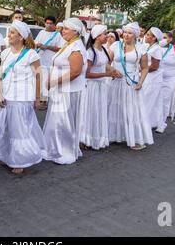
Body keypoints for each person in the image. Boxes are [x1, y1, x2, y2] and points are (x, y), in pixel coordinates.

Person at [0, 21, 45, 174]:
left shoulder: (31, 54)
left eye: (12, 32)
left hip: (22, 97)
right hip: (6, 95)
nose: (8, 35)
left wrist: (38, 98)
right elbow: (0, 75)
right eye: (9, 32)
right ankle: (8, 156)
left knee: (18, 130)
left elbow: (38, 77)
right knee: (6, 128)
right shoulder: (6, 53)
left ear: (21, 37)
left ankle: (21, 160)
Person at [42, 17, 87, 165]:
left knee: (64, 123)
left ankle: (65, 151)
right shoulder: (69, 44)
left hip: (68, 91)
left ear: (76, 31)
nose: (62, 31)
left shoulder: (76, 47)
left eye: (66, 29)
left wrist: (54, 82)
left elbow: (75, 72)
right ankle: (54, 147)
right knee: (56, 121)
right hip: (61, 90)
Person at [107, 22, 153, 150]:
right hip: (115, 82)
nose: (126, 35)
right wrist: (112, 71)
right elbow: (106, 62)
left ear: (135, 35)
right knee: (114, 108)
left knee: (131, 111)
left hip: (131, 83)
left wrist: (141, 82)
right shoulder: (116, 45)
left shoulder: (141, 48)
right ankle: (112, 135)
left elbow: (144, 68)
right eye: (125, 32)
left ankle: (133, 139)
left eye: (129, 33)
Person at [79, 24, 115, 151]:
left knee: (98, 112)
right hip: (91, 87)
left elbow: (104, 65)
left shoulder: (103, 50)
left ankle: (96, 137)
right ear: (97, 37)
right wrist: (106, 74)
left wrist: (114, 72)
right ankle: (84, 139)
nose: (107, 36)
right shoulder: (90, 52)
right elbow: (87, 73)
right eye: (105, 34)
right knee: (89, 112)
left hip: (101, 86)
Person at [157, 29, 175, 133]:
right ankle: (153, 121)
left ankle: (161, 124)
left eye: (165, 38)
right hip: (155, 78)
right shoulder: (156, 48)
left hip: (169, 79)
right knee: (154, 100)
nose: (163, 40)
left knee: (165, 101)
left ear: (171, 39)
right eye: (162, 38)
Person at [34, 16, 64, 109]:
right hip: (39, 61)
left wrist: (47, 47)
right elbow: (35, 44)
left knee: (46, 83)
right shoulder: (41, 32)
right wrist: (38, 45)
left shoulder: (58, 35)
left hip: (50, 63)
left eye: (51, 23)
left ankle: (44, 102)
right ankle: (37, 100)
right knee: (38, 81)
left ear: (54, 25)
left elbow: (60, 48)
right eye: (47, 23)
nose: (48, 25)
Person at [142, 27, 164, 130]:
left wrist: (141, 70)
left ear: (154, 38)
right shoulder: (147, 46)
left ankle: (144, 124)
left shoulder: (157, 49)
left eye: (148, 35)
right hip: (147, 77)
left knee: (148, 101)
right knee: (150, 102)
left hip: (153, 79)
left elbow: (155, 66)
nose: (146, 36)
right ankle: (150, 122)